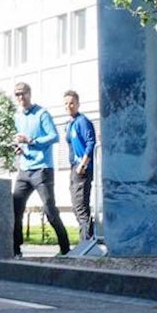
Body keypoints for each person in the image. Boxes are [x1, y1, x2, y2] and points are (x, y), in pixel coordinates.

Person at [10, 82, 71, 257]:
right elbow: (21, 140)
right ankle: (16, 249)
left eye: (23, 94)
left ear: (30, 94)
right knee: (16, 209)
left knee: (49, 208)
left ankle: (65, 249)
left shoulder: (42, 114)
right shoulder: (18, 117)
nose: (20, 98)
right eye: (17, 95)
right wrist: (19, 148)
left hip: (42, 169)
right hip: (24, 168)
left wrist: (31, 141)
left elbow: (54, 136)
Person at [63, 89, 97, 242]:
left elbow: (91, 143)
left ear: (78, 104)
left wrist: (83, 164)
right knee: (76, 207)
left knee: (81, 207)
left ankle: (87, 243)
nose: (69, 106)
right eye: (66, 103)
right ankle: (88, 239)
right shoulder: (70, 124)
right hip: (73, 168)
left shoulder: (83, 121)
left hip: (82, 169)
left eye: (72, 103)